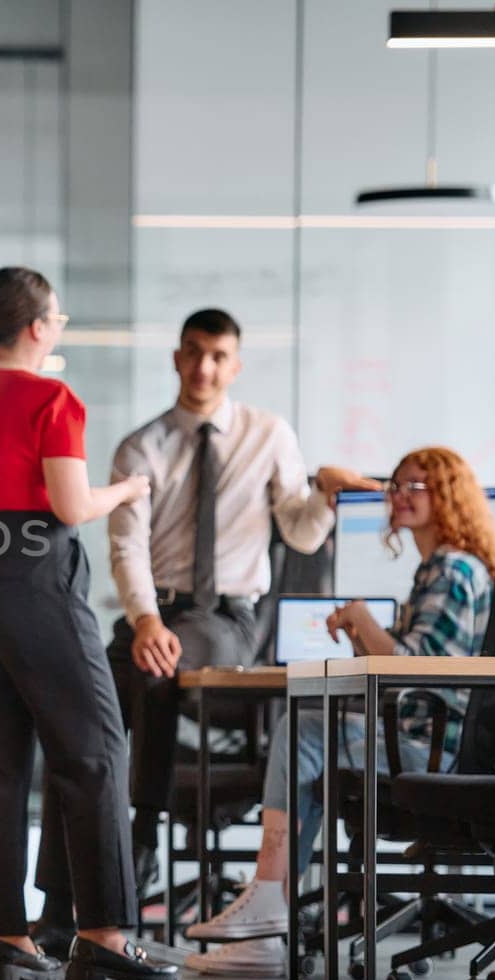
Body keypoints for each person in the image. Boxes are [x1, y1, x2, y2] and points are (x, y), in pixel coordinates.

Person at [55, 308, 376, 919]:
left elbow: (300, 535)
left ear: (235, 365)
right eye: (194, 352)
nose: (204, 367)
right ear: (177, 357)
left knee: (156, 670)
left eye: (218, 356)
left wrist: (327, 499)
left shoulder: (268, 434)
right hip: (151, 612)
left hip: (225, 620)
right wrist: (145, 620)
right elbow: (125, 544)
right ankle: (58, 901)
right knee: (77, 714)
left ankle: (143, 834)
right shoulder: (142, 445)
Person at [0, 266, 177, 980]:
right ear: (37, 326)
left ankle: (7, 939)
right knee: (95, 746)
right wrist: (128, 488)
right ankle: (105, 933)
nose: (57, 327)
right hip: (37, 570)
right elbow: (69, 505)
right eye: (56, 317)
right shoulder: (51, 398)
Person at [185, 446, 495, 975]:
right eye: (395, 485)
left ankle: (268, 902)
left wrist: (361, 620)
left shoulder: (450, 568)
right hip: (424, 736)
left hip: (427, 747)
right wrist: (362, 634)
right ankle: (270, 915)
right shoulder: (441, 567)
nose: (399, 496)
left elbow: (418, 666)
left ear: (448, 496)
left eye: (415, 487)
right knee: (307, 737)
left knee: (302, 731)